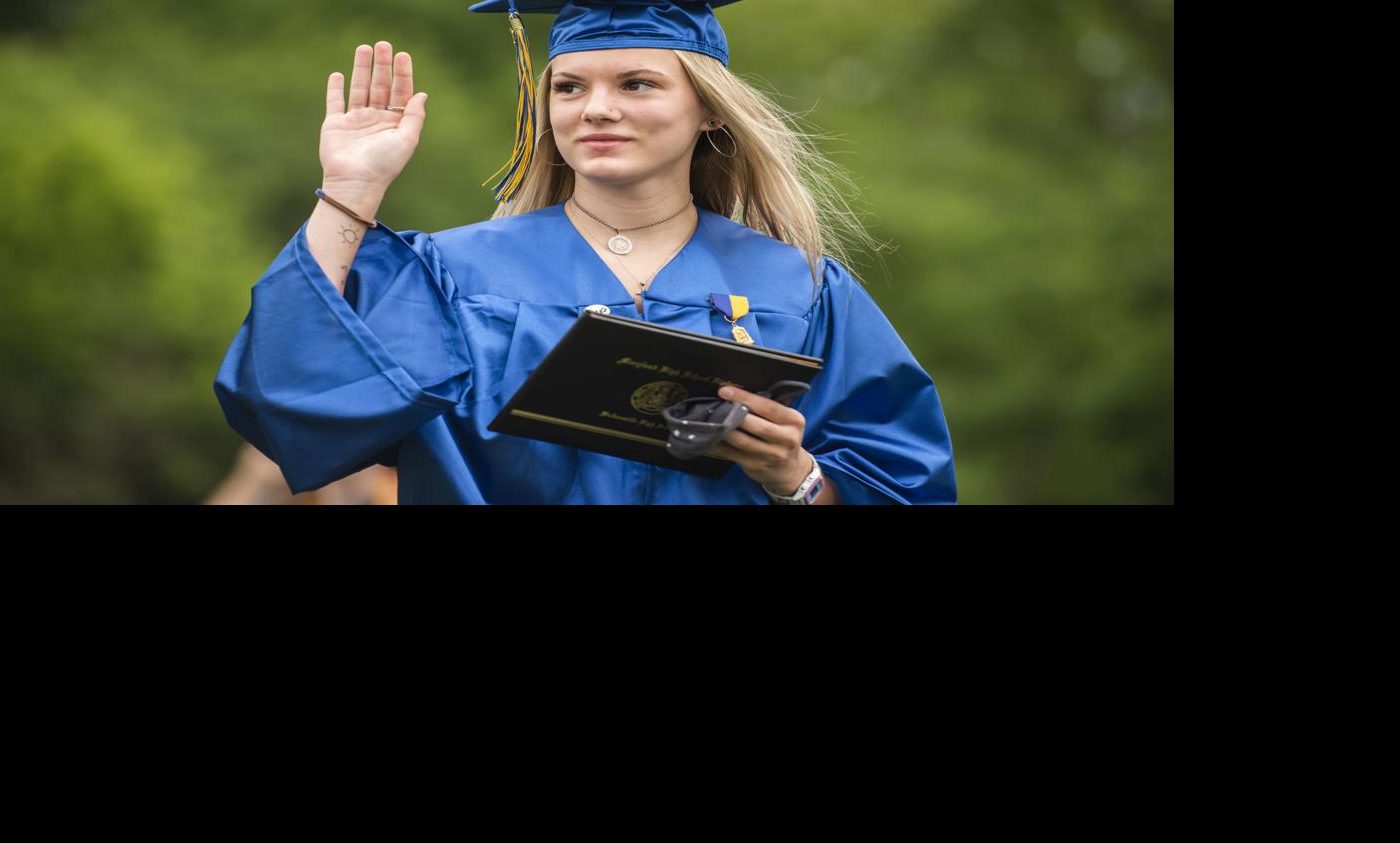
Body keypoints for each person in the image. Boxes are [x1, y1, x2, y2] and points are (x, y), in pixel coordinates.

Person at [214, 0, 957, 504]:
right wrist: (348, 192)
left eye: (637, 83)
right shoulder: (451, 276)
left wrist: (794, 476)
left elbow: (905, 485)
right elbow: (286, 401)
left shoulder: (799, 289)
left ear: (707, 112)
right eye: (569, 87)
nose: (597, 108)